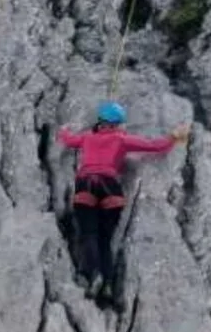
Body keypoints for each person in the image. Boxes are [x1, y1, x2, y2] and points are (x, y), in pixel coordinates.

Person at [56, 100, 191, 300]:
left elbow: (67, 140)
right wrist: (175, 136)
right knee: (105, 239)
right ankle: (108, 282)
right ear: (118, 123)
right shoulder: (122, 139)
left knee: (89, 234)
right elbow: (156, 146)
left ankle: (88, 275)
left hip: (86, 185)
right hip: (110, 188)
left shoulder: (86, 137)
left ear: (100, 121)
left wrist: (63, 130)